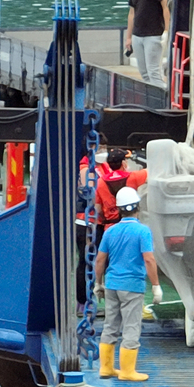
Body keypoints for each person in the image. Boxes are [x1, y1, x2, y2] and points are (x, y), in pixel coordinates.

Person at [95, 187, 163, 381]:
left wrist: (98, 284)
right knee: (132, 327)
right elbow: (149, 259)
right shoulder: (142, 231)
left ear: (119, 210)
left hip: (112, 284)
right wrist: (156, 286)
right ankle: (127, 371)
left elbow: (100, 260)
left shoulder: (110, 231)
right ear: (137, 208)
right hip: (132, 286)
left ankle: (106, 368)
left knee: (110, 326)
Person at [76, 133, 111, 314]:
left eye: (105, 147)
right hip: (85, 222)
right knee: (85, 261)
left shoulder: (105, 166)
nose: (103, 151)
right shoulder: (84, 168)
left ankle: (98, 295)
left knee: (102, 260)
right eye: (100, 147)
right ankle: (82, 301)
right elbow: (88, 191)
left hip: (102, 222)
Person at [126, 0, 171, 87]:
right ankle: (152, 98)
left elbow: (166, 8)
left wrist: (167, 30)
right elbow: (132, 14)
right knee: (144, 73)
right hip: (137, 35)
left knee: (154, 72)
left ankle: (163, 98)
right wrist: (128, 37)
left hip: (153, 34)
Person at [96, 148, 148, 228]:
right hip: (131, 225)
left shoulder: (100, 182)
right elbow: (153, 171)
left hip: (110, 227)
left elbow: (98, 209)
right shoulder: (134, 177)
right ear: (124, 163)